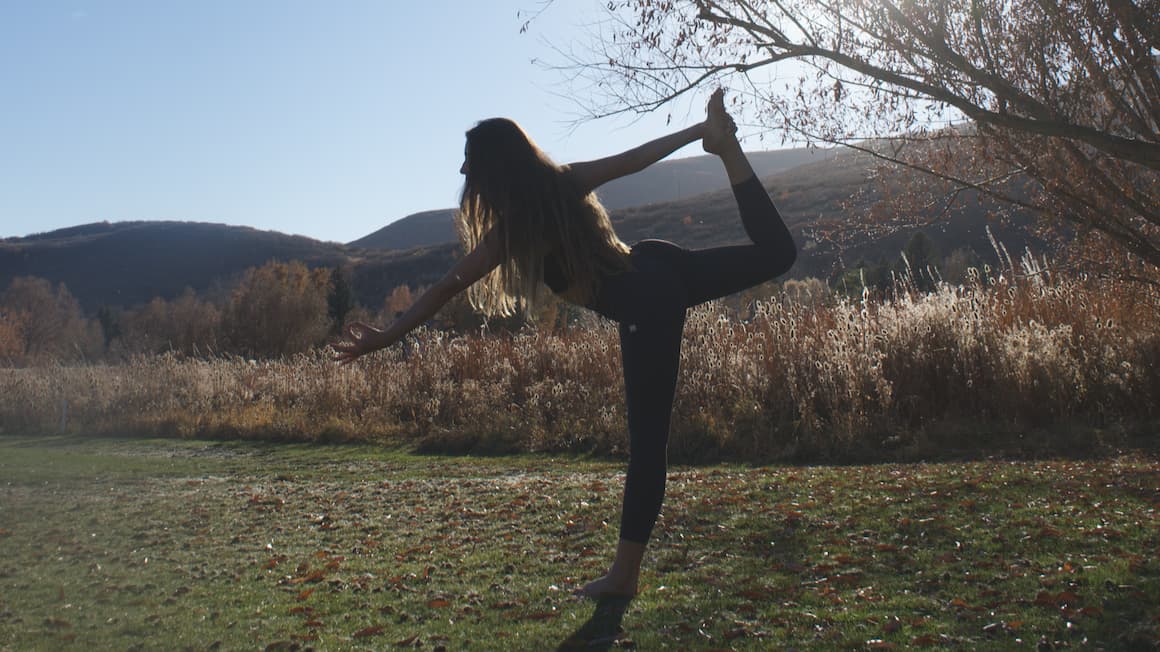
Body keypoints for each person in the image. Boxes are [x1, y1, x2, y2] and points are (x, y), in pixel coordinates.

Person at [333, 90, 796, 598]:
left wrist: (388, 336)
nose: (464, 174)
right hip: (658, 266)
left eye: (470, 164)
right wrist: (698, 134)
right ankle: (727, 151)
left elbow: (446, 288)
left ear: (494, 169)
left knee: (646, 447)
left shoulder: (515, 232)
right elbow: (634, 159)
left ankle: (623, 578)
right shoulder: (563, 184)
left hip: (646, 300)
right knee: (777, 253)